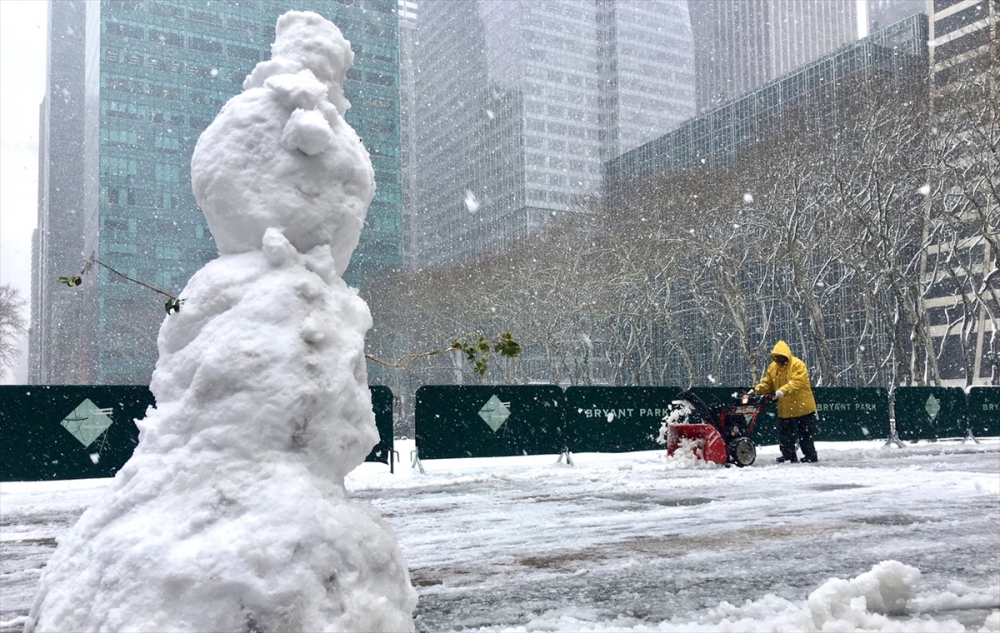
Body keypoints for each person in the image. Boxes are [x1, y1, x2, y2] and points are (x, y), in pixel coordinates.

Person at [753, 340, 819, 463]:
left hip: (802, 406)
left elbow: (797, 382)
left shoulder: (797, 365)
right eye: (776, 356)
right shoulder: (773, 367)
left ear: (786, 355)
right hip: (785, 408)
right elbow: (767, 382)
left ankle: (810, 455)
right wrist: (756, 390)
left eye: (780, 356)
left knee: (805, 434)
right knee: (785, 434)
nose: (778, 359)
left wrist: (780, 392)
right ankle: (788, 455)